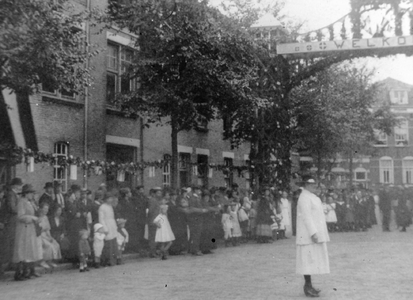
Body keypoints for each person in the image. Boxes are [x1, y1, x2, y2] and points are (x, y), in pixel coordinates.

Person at [296, 177, 330, 297]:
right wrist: (313, 233)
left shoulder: (312, 197)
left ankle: (309, 285)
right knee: (307, 261)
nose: (314, 186)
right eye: (311, 184)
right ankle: (307, 286)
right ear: (305, 185)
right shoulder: (304, 197)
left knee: (312, 261)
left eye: (314, 184)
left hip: (315, 234)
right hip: (307, 236)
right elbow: (306, 216)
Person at [13, 184, 42, 281]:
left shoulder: (30, 202)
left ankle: (27, 271)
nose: (32, 195)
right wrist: (32, 218)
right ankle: (19, 273)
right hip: (23, 229)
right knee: (22, 250)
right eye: (31, 193)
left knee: (29, 250)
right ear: (26, 194)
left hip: (29, 229)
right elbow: (20, 216)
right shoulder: (22, 202)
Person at [4, 177, 23, 271]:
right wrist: (21, 210)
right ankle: (11, 264)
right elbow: (12, 208)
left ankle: (12, 263)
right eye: (19, 185)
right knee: (12, 243)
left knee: (13, 243)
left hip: (14, 222)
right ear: (15, 186)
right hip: (12, 222)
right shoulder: (11, 194)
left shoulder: (14, 194)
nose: (20, 187)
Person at [38, 202, 62, 269]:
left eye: (47, 209)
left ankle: (49, 260)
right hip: (40, 235)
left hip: (46, 234)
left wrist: (50, 237)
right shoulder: (38, 218)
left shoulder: (46, 217)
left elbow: (48, 229)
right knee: (48, 245)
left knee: (55, 244)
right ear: (41, 209)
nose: (46, 210)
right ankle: (42, 261)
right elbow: (39, 230)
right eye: (45, 209)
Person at [98, 192, 119, 266]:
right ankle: (108, 260)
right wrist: (105, 228)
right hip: (107, 225)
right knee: (108, 244)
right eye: (109, 198)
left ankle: (114, 259)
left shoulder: (110, 206)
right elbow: (101, 219)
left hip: (112, 225)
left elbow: (112, 217)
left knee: (113, 242)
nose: (111, 200)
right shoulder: (102, 207)